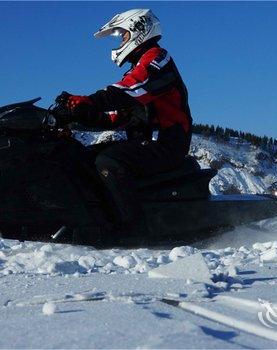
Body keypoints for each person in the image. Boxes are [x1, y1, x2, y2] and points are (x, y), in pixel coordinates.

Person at [55, 9, 192, 232]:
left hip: (167, 144)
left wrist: (87, 101)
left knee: (108, 161)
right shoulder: (139, 68)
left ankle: (132, 228)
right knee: (82, 156)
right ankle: (92, 218)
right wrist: (76, 113)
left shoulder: (157, 59)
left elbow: (127, 92)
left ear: (139, 29)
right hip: (146, 143)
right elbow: (116, 116)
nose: (121, 41)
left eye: (123, 35)